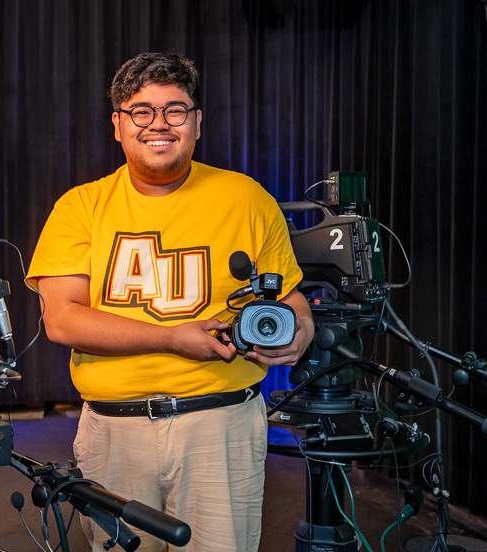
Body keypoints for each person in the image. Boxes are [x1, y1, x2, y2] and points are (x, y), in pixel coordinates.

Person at [27, 51, 314, 552]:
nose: (159, 124)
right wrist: (172, 339)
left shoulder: (246, 198)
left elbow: (291, 300)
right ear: (118, 124)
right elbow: (62, 319)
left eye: (175, 110)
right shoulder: (79, 206)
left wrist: (299, 334)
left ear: (196, 122)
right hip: (114, 431)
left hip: (220, 425)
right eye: (141, 111)